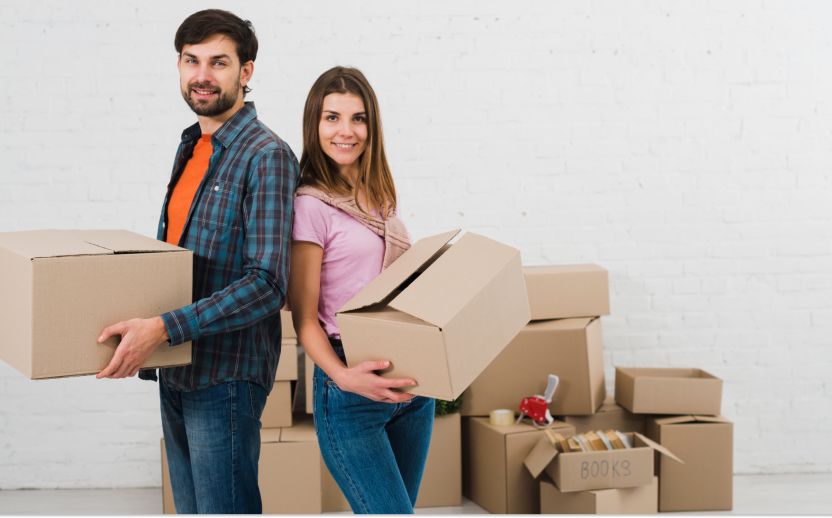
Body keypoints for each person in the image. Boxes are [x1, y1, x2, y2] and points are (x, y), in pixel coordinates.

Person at [96, 9, 298, 514]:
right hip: (176, 369)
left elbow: (268, 283)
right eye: (191, 61)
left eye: (218, 62)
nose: (202, 75)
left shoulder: (266, 155)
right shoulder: (192, 147)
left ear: (246, 72)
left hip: (225, 377)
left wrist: (163, 327)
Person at [289, 66, 435, 514]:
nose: (345, 131)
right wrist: (343, 376)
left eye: (357, 118)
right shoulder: (310, 206)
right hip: (350, 389)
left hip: (411, 388)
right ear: (315, 125)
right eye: (332, 118)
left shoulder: (379, 197)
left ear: (372, 126)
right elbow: (303, 317)